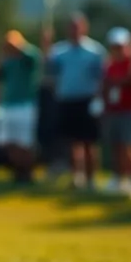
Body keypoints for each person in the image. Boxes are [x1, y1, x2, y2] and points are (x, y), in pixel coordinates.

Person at [43, 13, 105, 190]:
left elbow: (101, 78)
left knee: (89, 142)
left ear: (84, 28)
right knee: (72, 141)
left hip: (87, 100)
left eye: (77, 27)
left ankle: (91, 179)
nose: (74, 30)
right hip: (67, 100)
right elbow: (48, 67)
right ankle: (76, 177)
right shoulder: (59, 51)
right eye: (71, 27)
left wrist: (99, 101)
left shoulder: (95, 51)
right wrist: (46, 45)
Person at [0, 30, 43, 183]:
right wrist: (1, 54)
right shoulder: (7, 60)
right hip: (8, 105)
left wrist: (17, 47)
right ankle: (17, 171)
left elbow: (37, 58)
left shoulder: (29, 55)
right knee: (9, 141)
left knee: (24, 142)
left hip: (25, 106)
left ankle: (27, 172)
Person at [99, 27, 131, 196]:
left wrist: (116, 82)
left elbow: (130, 79)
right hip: (112, 109)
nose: (118, 49)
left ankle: (129, 179)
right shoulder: (109, 63)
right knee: (115, 145)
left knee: (127, 145)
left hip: (128, 109)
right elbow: (105, 84)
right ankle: (116, 177)